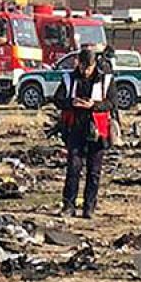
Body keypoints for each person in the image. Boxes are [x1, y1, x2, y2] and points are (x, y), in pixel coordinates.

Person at [51, 46, 119, 218]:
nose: (85, 71)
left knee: (94, 171)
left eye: (88, 67)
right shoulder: (68, 79)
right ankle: (68, 206)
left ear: (94, 64)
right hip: (75, 129)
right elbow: (57, 100)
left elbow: (111, 103)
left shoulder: (106, 80)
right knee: (73, 168)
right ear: (78, 64)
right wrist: (72, 102)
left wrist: (93, 106)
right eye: (82, 67)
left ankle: (89, 208)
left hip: (98, 130)